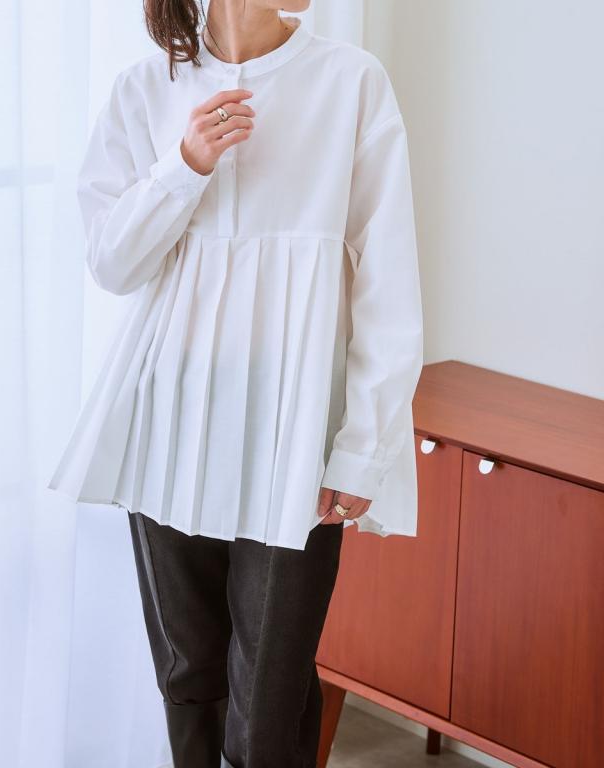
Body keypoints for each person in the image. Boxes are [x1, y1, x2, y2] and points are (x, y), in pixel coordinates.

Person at [47, 0, 424, 765]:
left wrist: (363, 448)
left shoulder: (350, 82)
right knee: (189, 676)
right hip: (170, 416)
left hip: (295, 425)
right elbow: (112, 264)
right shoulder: (144, 89)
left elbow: (389, 281)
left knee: (269, 693)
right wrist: (182, 166)